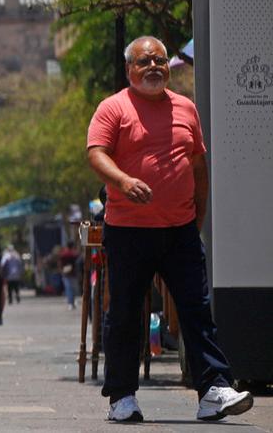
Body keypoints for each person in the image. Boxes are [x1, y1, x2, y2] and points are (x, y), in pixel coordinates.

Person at [87, 35, 252, 423]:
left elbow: (197, 167)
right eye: (145, 62)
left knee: (197, 310)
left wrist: (197, 218)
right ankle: (122, 397)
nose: (154, 68)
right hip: (128, 230)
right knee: (126, 314)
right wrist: (124, 182)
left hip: (179, 230)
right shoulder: (113, 108)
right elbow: (96, 154)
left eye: (160, 61)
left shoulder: (186, 109)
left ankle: (213, 390)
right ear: (130, 69)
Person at [58, 240, 80, 310]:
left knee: (68, 289)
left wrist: (61, 270)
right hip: (73, 273)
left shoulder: (63, 254)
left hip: (66, 273)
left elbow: (60, 263)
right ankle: (72, 302)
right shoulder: (74, 254)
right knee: (73, 289)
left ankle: (70, 303)